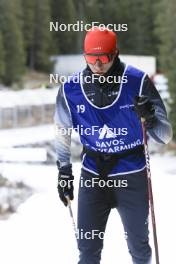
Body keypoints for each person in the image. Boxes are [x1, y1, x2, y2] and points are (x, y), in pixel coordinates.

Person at [54, 27, 172, 264]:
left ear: (115, 53)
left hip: (132, 174)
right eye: (91, 58)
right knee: (87, 251)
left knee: (139, 249)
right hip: (93, 175)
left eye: (104, 58)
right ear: (84, 55)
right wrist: (64, 171)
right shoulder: (70, 90)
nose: (97, 65)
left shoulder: (138, 82)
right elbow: (62, 132)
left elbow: (165, 135)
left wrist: (149, 119)